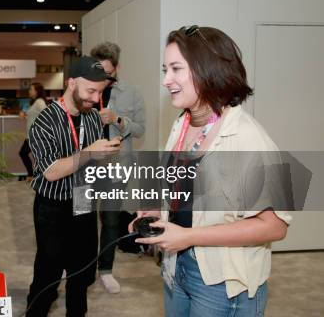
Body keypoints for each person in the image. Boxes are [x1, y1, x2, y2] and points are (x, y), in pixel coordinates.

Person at [130, 26, 291, 316]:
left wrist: (190, 236)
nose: (166, 80)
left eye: (176, 69)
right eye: (165, 69)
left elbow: (275, 226)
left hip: (221, 284)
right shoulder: (184, 122)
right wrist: (155, 208)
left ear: (208, 70)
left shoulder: (248, 138)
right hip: (177, 267)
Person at [26, 56, 122, 317]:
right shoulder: (45, 120)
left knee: (81, 277)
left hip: (84, 200)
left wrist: (105, 154)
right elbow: (52, 172)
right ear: (70, 83)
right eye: (90, 91)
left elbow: (90, 164)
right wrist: (90, 153)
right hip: (53, 207)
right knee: (48, 276)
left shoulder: (92, 119)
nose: (95, 98)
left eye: (100, 92)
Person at [90, 42, 146, 294]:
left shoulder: (131, 93)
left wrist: (118, 119)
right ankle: (82, 265)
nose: (104, 77)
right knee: (83, 217)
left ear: (117, 67)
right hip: (87, 163)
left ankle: (106, 270)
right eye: (99, 71)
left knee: (111, 219)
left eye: (108, 72)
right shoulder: (87, 90)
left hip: (117, 165)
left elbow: (141, 129)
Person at [19, 83, 48, 181]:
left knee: (24, 153)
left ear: (36, 91)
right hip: (31, 135)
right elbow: (32, 114)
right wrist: (24, 113)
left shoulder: (40, 102)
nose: (29, 91)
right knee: (35, 156)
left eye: (31, 89)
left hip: (35, 136)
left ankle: (33, 175)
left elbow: (47, 114)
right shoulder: (35, 102)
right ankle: (35, 176)